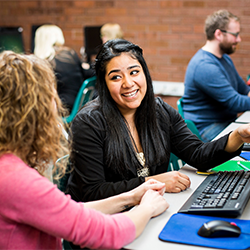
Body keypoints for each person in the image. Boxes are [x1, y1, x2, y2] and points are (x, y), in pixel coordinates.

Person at [0, 50, 169, 250]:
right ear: (38, 108)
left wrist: (131, 196)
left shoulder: (8, 168)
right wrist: (147, 208)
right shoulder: (16, 180)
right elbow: (108, 233)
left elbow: (68, 211)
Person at [66, 38, 250, 204]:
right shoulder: (89, 122)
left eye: (134, 72)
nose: (128, 83)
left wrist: (239, 135)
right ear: (104, 84)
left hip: (149, 210)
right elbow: (92, 193)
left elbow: (198, 155)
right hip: (104, 225)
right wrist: (152, 182)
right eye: (116, 77)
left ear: (144, 73)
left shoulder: (158, 110)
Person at [182, 9, 250, 142]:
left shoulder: (224, 59)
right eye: (235, 34)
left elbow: (244, 90)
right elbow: (235, 103)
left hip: (225, 122)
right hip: (207, 128)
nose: (239, 39)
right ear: (219, 34)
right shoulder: (204, 65)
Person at [34, 24, 95, 113]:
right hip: (75, 103)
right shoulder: (70, 53)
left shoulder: (46, 63)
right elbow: (84, 73)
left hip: (61, 107)